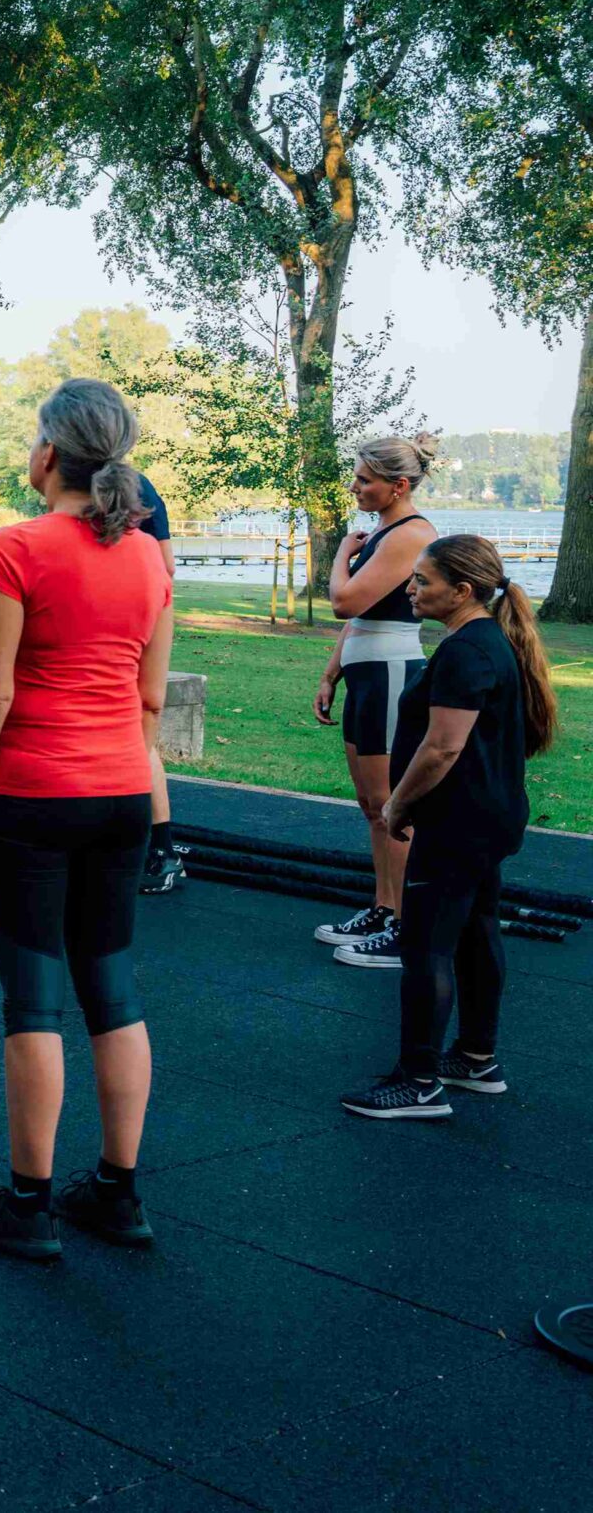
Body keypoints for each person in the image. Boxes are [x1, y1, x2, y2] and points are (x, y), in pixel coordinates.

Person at [0, 379, 173, 1261]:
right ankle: (118, 1192)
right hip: (122, 795)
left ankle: (28, 1204)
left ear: (48, 453)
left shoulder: (16, 548)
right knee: (112, 992)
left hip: (35, 797)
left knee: (33, 1000)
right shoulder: (149, 558)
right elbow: (150, 701)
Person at [340, 536, 556, 1120]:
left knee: (425, 946)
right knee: (477, 933)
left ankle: (418, 1082)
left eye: (422, 580)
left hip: (460, 822)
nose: (410, 588)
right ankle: (476, 1059)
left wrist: (397, 805)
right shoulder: (484, 642)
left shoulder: (468, 652)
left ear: (462, 591)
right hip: (487, 817)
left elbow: (441, 748)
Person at [313, 439, 439, 965]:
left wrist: (341, 553)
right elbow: (360, 618)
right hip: (366, 675)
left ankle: (406, 927)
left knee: (393, 807)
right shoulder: (386, 532)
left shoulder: (411, 535)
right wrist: (331, 673)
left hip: (390, 673)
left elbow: (344, 602)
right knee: (372, 807)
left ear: (398, 485)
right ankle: (385, 909)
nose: (355, 487)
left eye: (365, 480)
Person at [134, 471, 185, 895]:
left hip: (128, 618)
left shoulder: (132, 485)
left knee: (138, 731)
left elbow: (165, 567)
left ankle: (162, 847)